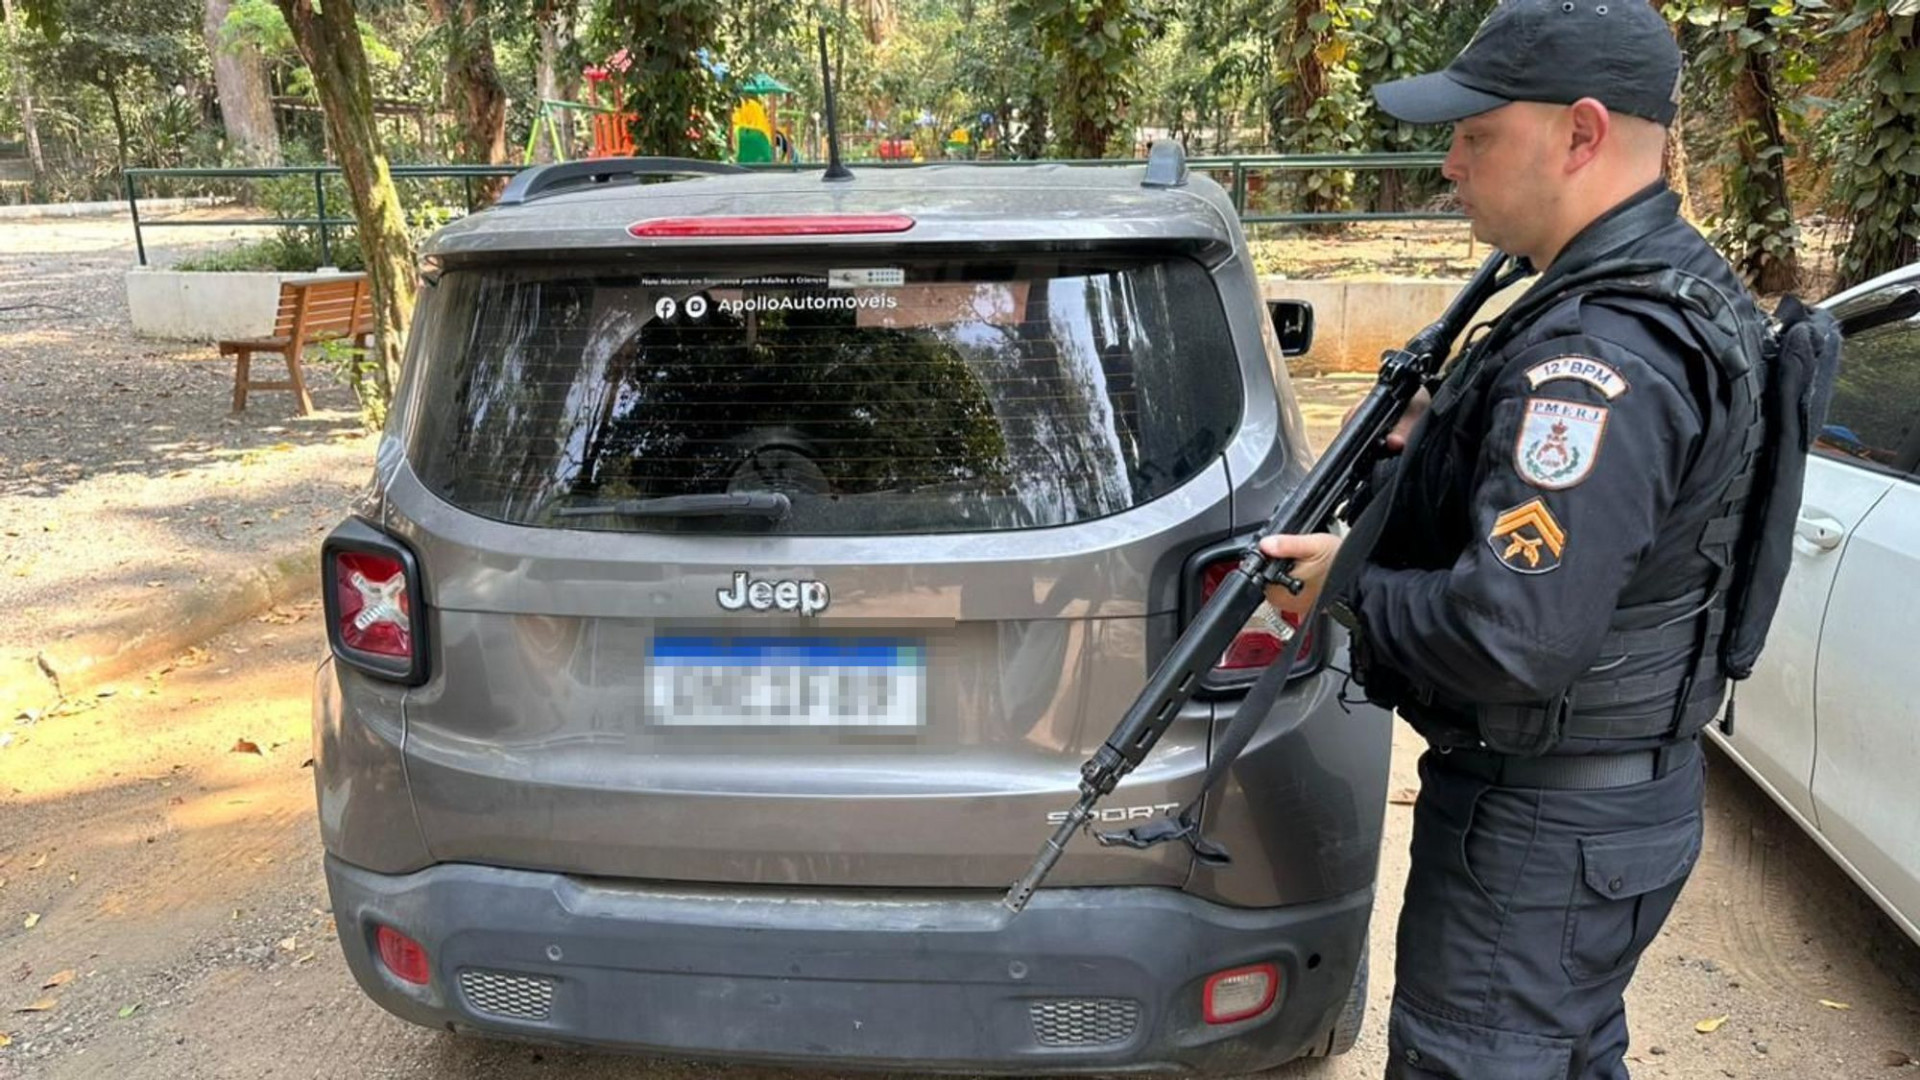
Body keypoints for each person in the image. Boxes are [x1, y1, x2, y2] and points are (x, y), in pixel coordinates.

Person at [1258, 2, 1769, 1077]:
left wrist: (1343, 593)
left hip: (1544, 828)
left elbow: (1516, 634)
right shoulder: (1654, 286)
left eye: (1477, 133)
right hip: (1594, 810)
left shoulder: (1599, 354)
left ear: (1582, 135)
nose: (1450, 163)